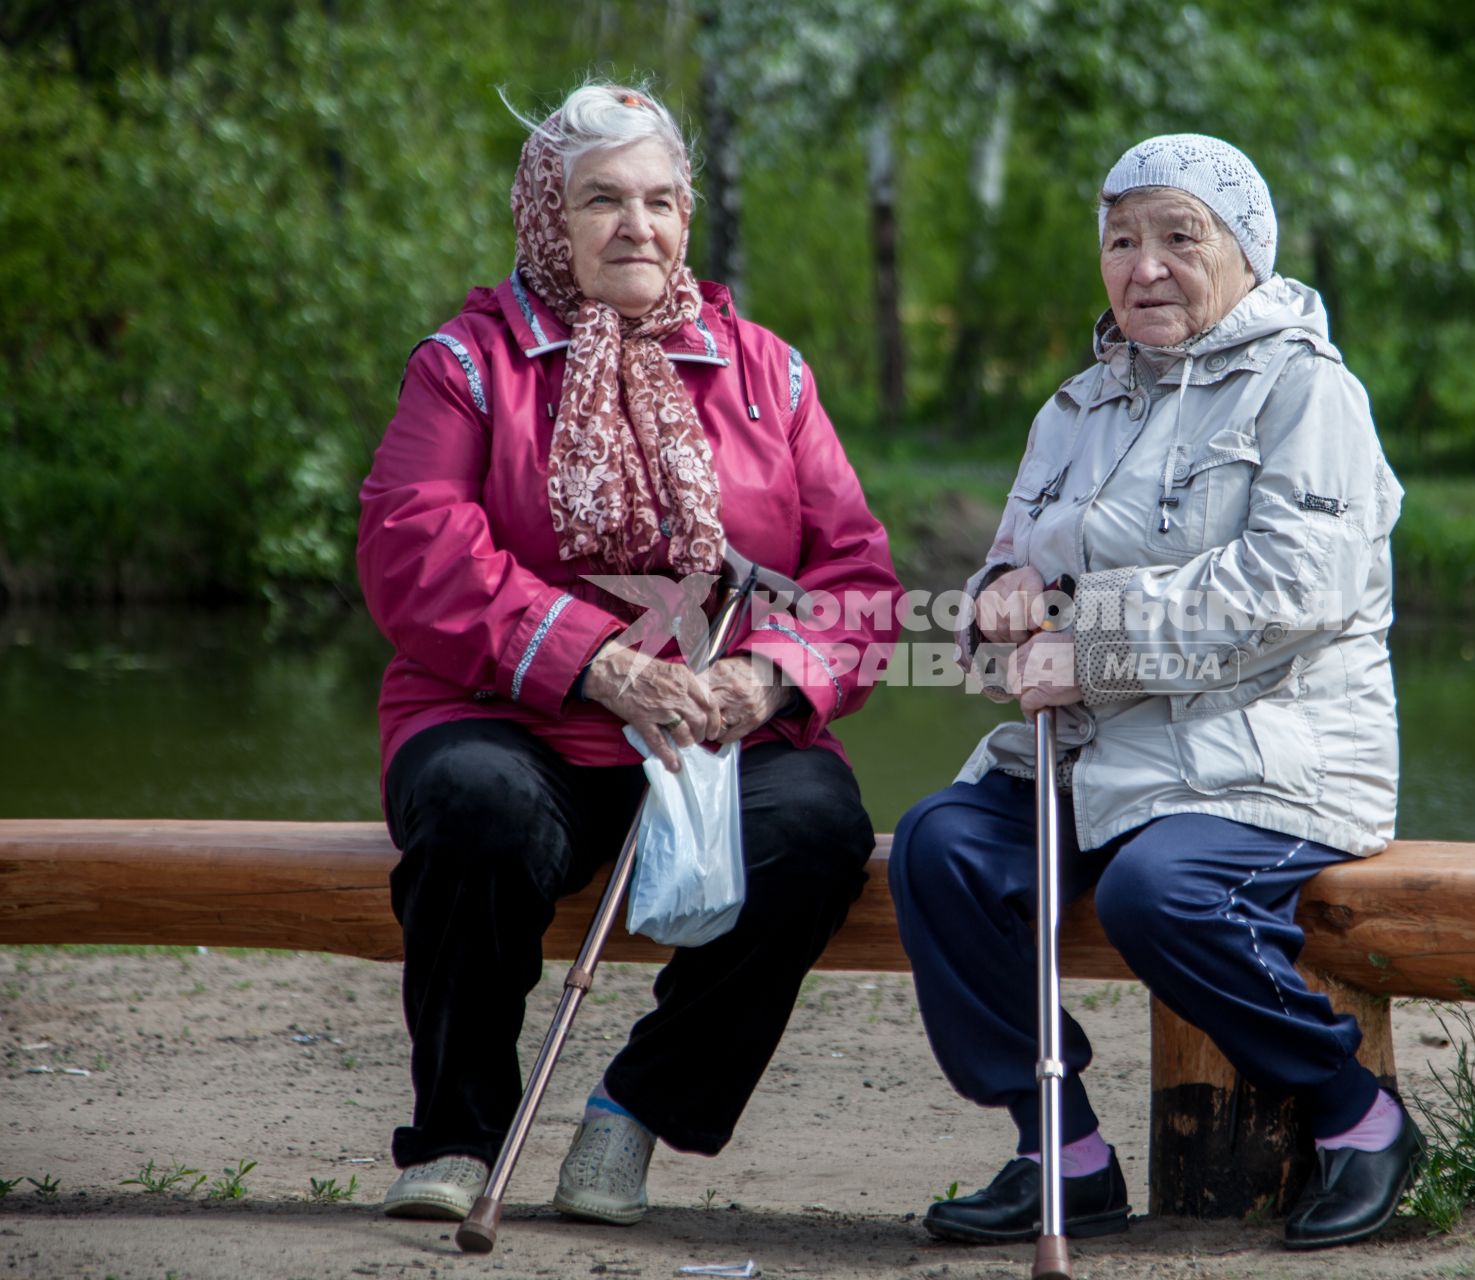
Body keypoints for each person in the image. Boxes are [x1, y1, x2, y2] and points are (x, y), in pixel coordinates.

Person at [356, 81, 899, 1226]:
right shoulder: (467, 364)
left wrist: (763, 676)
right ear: (547, 214)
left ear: (687, 216)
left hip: (715, 728)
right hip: (515, 721)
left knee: (815, 830)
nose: (635, 226)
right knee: (469, 808)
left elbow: (855, 578)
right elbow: (413, 546)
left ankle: (630, 1113)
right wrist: (596, 660)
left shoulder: (769, 374)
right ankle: (457, 1131)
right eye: (601, 198)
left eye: (658, 199)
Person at [889, 134, 1412, 1251]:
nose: (1145, 266)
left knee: (1155, 892)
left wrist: (1093, 647)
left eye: (1180, 237)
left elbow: (1290, 586)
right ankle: (1062, 1152)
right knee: (937, 846)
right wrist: (1001, 608)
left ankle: (1355, 1112)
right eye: (1121, 240)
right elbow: (1008, 573)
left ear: (1245, 250)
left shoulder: (1306, 391)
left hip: (1270, 748)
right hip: (1096, 758)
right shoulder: (1074, 408)